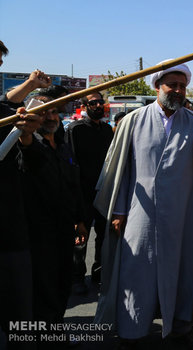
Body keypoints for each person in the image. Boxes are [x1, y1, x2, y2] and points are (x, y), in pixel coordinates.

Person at [93, 63, 193, 349]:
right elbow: (123, 172)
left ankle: (181, 329)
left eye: (182, 86)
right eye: (173, 85)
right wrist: (119, 210)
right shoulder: (133, 120)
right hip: (140, 213)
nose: (179, 91)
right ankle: (132, 332)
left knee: (184, 272)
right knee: (137, 272)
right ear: (158, 86)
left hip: (185, 214)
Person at [21, 89, 88, 344]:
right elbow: (29, 161)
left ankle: (55, 332)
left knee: (62, 284)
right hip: (38, 230)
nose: (50, 117)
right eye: (43, 112)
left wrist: (80, 219)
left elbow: (74, 183)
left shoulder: (61, 144)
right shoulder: (27, 143)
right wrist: (26, 135)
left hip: (64, 228)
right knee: (44, 288)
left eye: (53, 111)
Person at [0, 62, 48, 350]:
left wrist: (28, 137)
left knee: (18, 316)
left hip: (9, 231)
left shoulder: (9, 115)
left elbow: (34, 164)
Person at [65, 91, 114, 293]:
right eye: (92, 103)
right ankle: (76, 278)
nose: (97, 105)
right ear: (84, 107)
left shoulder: (107, 130)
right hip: (82, 191)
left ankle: (99, 273)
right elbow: (71, 162)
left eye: (100, 102)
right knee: (80, 237)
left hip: (103, 190)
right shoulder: (75, 130)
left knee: (103, 234)